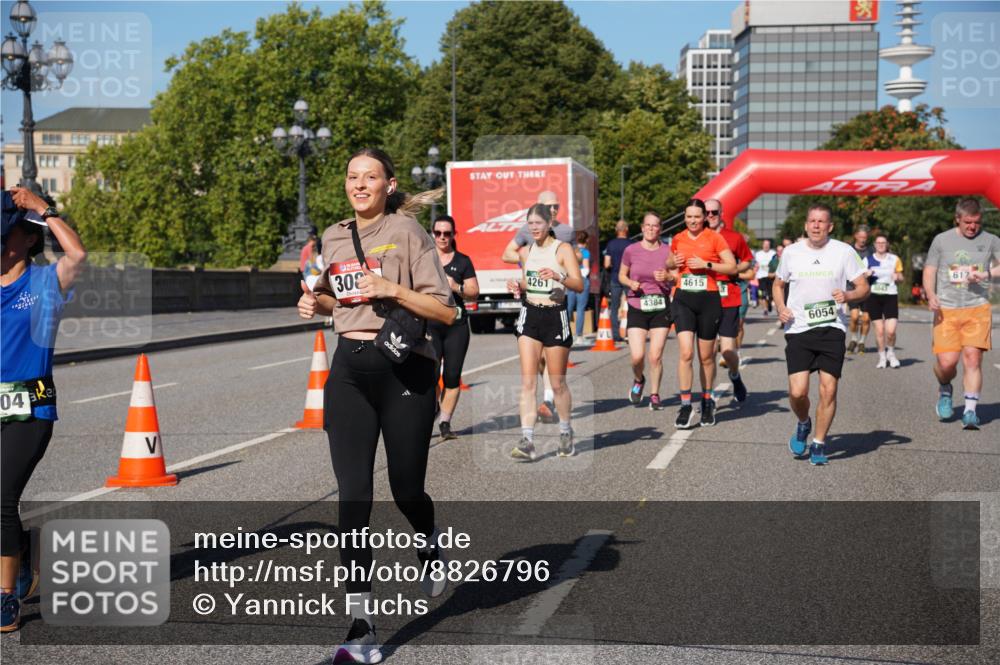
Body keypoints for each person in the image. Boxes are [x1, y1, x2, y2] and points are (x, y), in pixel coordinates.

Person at [297, 148, 459, 663]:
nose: (359, 184)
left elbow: (445, 311)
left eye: (370, 177)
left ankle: (429, 539)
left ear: (389, 184)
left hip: (405, 368)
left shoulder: (408, 232)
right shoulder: (334, 235)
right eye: (352, 176)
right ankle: (361, 625)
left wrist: (392, 287)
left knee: (406, 487)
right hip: (348, 371)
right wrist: (313, 302)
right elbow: (332, 298)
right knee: (353, 498)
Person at [2, 187, 86, 632]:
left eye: (9, 232)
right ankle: (24, 559)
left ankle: (6, 597)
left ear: (28, 239)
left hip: (30, 409)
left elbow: (77, 253)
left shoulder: (44, 283)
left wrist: (42, 210)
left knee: (1, 498)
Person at [774, 204, 868, 466]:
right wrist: (781, 307)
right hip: (799, 327)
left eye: (821, 221)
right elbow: (778, 284)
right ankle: (804, 423)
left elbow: (863, 287)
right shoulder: (792, 253)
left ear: (830, 227)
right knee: (797, 392)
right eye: (812, 221)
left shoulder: (844, 251)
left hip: (832, 328)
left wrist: (848, 295)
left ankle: (818, 443)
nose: (816, 225)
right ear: (806, 225)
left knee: (829, 390)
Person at [507, 203, 584, 461]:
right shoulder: (526, 251)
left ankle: (565, 432)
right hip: (530, 314)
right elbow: (529, 281)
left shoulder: (562, 250)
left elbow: (579, 284)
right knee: (528, 382)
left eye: (538, 223)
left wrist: (559, 277)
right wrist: (518, 285)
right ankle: (527, 440)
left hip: (555, 316)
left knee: (557, 382)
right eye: (530, 224)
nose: (534, 228)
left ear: (549, 224)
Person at [922, 197, 1000, 430]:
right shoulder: (941, 240)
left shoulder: (991, 240)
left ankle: (969, 411)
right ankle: (945, 389)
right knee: (947, 364)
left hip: (977, 308)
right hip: (946, 309)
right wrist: (930, 293)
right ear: (957, 219)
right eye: (967, 222)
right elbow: (929, 270)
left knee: (973, 358)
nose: (972, 227)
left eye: (976, 222)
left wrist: (986, 274)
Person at [667, 199, 737, 428]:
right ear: (684, 217)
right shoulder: (678, 238)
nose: (693, 221)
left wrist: (707, 265)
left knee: (706, 357)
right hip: (683, 299)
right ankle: (686, 405)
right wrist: (671, 262)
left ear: (704, 217)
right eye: (689, 216)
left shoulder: (714, 238)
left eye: (697, 216)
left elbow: (732, 266)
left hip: (708, 299)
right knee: (686, 353)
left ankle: (707, 400)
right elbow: (670, 266)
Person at [428, 214, 479, 440]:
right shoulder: (425, 259)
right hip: (429, 324)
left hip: (456, 326)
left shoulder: (463, 261)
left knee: (451, 376)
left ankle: (445, 423)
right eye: (438, 233)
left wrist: (455, 285)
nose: (442, 237)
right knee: (429, 376)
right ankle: (433, 409)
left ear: (453, 235)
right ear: (432, 234)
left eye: (447, 233)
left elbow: (474, 291)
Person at [619, 211, 672, 410]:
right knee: (637, 356)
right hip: (636, 305)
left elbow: (676, 277)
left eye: (655, 225)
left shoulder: (668, 251)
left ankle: (655, 394)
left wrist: (667, 277)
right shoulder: (631, 250)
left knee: (655, 356)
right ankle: (639, 379)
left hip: (660, 306)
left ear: (660, 229)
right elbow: (621, 276)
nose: (651, 228)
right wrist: (630, 282)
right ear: (642, 228)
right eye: (647, 225)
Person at [705, 199, 754, 402]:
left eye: (714, 212)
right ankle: (707, 396)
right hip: (703, 299)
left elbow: (747, 262)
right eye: (706, 212)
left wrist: (734, 268)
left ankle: (734, 375)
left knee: (726, 351)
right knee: (706, 354)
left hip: (728, 297)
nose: (710, 216)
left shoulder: (734, 238)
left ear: (721, 212)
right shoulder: (697, 237)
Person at [863, 233, 904, 369]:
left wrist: (898, 277)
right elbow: (860, 279)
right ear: (874, 245)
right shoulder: (868, 260)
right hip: (874, 297)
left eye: (883, 243)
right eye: (878, 243)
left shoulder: (894, 259)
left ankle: (891, 354)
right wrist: (866, 275)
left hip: (890, 296)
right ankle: (882, 357)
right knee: (880, 331)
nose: (881, 245)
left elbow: (901, 277)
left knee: (890, 331)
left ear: (887, 245)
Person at [603, 219, 632, 343]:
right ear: (627, 230)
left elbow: (606, 264)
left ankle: (615, 335)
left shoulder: (611, 244)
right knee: (632, 307)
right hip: (628, 278)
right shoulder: (631, 244)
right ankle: (631, 334)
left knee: (614, 307)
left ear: (616, 230)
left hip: (615, 278)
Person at [846, 224, 874, 354]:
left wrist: (872, 271)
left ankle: (862, 341)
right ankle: (853, 338)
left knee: (866, 319)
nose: (863, 239)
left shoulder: (871, 250)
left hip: (868, 288)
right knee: (854, 317)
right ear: (856, 236)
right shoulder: (849, 250)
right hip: (852, 287)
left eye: (865, 237)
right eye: (861, 237)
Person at [565, 230, 591, 338]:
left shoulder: (572, 251)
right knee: (580, 308)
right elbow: (586, 269)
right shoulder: (585, 252)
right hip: (582, 280)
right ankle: (578, 333)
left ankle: (565, 330)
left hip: (571, 279)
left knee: (569, 307)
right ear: (587, 240)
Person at [754, 238, 776, 315]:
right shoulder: (758, 254)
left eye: (768, 244)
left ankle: (769, 303)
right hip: (761, 276)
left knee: (770, 294)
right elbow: (755, 265)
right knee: (762, 294)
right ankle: (765, 309)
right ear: (762, 245)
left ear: (769, 246)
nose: (766, 246)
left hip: (770, 276)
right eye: (765, 244)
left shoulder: (773, 253)